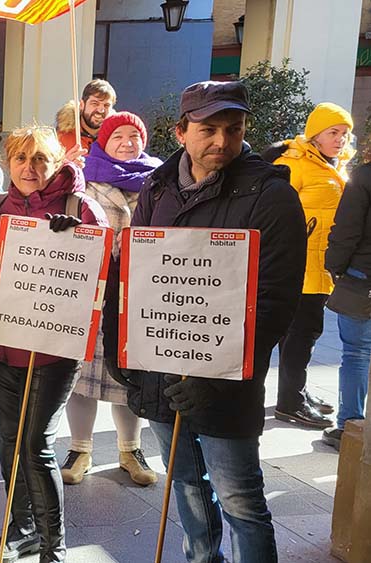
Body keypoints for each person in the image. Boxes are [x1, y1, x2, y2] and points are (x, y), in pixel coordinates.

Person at [106, 81, 306, 563]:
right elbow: (136, 274)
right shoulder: (157, 187)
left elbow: (276, 302)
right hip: (160, 372)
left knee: (240, 501)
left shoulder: (272, 196)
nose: (221, 141)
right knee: (188, 488)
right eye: (208, 129)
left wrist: (216, 377)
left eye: (233, 130)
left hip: (226, 383)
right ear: (180, 132)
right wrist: (120, 351)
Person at [0, 125, 108, 563]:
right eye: (20, 158)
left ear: (56, 162)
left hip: (54, 350)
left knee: (35, 444)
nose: (29, 168)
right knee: (7, 440)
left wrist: (81, 241)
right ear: (8, 164)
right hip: (2, 347)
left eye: (39, 159)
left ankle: (53, 544)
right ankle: (21, 530)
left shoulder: (82, 207)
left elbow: (103, 275)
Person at [61, 112, 162, 487]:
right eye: (117, 135)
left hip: (136, 291)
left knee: (128, 373)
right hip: (92, 289)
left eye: (134, 136)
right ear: (103, 141)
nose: (127, 142)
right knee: (81, 373)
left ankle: (129, 449)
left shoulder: (157, 179)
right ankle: (79, 447)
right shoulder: (83, 177)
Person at [262, 102, 354, 429]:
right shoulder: (296, 163)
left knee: (303, 334)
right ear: (316, 133)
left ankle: (295, 391)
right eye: (333, 132)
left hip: (321, 264)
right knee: (301, 333)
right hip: (299, 264)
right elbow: (275, 211)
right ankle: (290, 402)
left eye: (344, 133)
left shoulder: (334, 164)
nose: (340, 139)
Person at [325, 161, 371, 448]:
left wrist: (334, 266)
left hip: (363, 275)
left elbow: (347, 228)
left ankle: (350, 427)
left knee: (356, 353)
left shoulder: (365, 175)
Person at [56, 79, 116, 153]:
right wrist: (66, 162)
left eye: (106, 105)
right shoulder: (60, 138)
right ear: (82, 105)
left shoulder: (115, 139)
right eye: (95, 103)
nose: (101, 110)